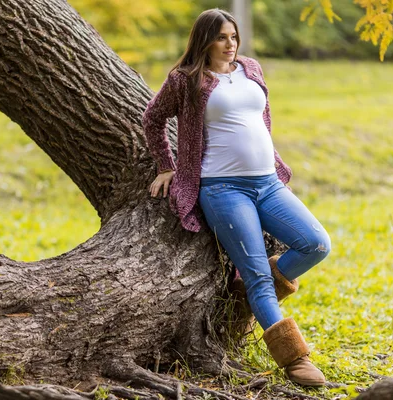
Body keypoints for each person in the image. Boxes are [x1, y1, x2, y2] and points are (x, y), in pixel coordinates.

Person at [141, 8, 331, 387]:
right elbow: (152, 118)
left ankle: (251, 287)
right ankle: (295, 358)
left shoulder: (251, 69)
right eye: (221, 38)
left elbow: (261, 121)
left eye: (234, 37)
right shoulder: (185, 80)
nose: (230, 45)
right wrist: (166, 165)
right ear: (204, 41)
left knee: (316, 244)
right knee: (259, 275)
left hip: (268, 183)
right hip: (223, 188)